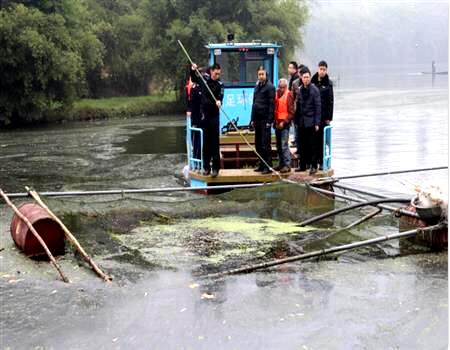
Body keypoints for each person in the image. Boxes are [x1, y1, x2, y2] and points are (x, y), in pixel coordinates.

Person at [191, 63, 224, 177]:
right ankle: (206, 167)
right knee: (205, 143)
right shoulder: (203, 80)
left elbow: (219, 96)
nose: (217, 75)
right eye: (215, 73)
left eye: (219, 74)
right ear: (211, 71)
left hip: (214, 116)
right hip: (205, 116)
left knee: (215, 143)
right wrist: (193, 70)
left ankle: (216, 168)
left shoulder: (220, 84)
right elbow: (194, 78)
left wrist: (219, 101)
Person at [293, 67, 321, 175]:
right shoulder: (300, 90)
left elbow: (318, 107)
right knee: (302, 145)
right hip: (301, 122)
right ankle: (302, 165)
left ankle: (314, 166)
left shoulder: (315, 90)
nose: (306, 79)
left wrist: (317, 123)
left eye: (308, 77)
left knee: (313, 145)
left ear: (310, 78)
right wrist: (295, 121)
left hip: (312, 122)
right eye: (304, 77)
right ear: (302, 78)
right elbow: (298, 107)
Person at [251, 67, 275, 174]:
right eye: (259, 74)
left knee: (266, 144)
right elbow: (254, 103)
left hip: (265, 120)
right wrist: (252, 119)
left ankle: (268, 166)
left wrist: (270, 121)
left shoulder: (270, 87)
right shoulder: (257, 87)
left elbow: (272, 105)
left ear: (266, 75)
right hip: (257, 119)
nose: (261, 76)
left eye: (262, 74)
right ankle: (261, 164)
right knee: (258, 144)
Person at [311, 60, 334, 170]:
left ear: (326, 70)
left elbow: (330, 101)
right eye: (321, 69)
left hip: (323, 117)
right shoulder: (312, 81)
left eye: (324, 69)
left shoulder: (328, 84)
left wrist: (329, 118)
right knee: (313, 141)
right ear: (317, 69)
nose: (322, 71)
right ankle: (313, 163)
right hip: (313, 116)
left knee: (322, 140)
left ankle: (321, 162)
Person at [274, 78, 295, 173]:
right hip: (277, 123)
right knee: (278, 145)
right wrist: (276, 122)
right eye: (280, 87)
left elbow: (291, 113)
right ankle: (281, 164)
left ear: (286, 87)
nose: (281, 89)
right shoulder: (276, 93)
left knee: (284, 145)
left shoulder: (289, 95)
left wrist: (284, 122)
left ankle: (287, 165)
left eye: (283, 87)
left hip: (285, 124)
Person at [185, 75, 202, 170]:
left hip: (203, 120)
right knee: (196, 142)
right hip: (195, 120)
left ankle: (199, 162)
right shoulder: (192, 89)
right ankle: (196, 163)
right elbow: (191, 104)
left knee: (200, 142)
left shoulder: (203, 88)